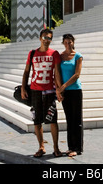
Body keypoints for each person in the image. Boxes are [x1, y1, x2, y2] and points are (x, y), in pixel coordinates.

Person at [21, 28, 63, 158]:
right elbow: (27, 71)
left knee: (53, 120)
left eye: (49, 38)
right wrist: (23, 87)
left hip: (50, 91)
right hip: (35, 91)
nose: (46, 40)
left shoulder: (54, 53)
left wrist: (59, 89)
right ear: (40, 38)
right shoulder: (32, 53)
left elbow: (57, 73)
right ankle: (41, 147)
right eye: (44, 37)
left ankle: (56, 147)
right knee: (37, 121)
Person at [58, 34, 83, 157]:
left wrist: (63, 86)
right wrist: (60, 89)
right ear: (63, 43)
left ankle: (77, 148)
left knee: (76, 119)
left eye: (70, 42)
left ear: (73, 42)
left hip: (75, 91)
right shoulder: (61, 56)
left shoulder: (78, 56)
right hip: (65, 92)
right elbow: (57, 72)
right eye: (66, 42)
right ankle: (70, 146)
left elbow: (77, 75)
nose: (68, 44)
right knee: (69, 119)